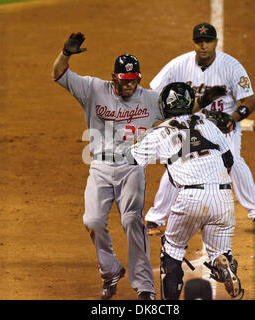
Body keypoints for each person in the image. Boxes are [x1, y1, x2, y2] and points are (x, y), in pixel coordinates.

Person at [52, 32, 163, 300]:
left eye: (134, 80)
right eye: (125, 81)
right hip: (99, 168)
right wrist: (65, 54)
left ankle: (145, 287)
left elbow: (181, 108)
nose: (130, 86)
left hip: (131, 168)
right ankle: (110, 269)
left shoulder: (149, 99)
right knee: (92, 221)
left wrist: (205, 103)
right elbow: (58, 74)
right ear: (114, 77)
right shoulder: (92, 89)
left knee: (131, 220)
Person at [145, 22, 255, 235]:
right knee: (178, 163)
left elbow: (249, 101)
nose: (203, 45)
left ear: (216, 42)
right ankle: (155, 218)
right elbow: (152, 95)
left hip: (224, 127)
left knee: (234, 163)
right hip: (192, 125)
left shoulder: (231, 66)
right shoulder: (178, 65)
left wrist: (233, 116)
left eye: (208, 41)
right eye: (199, 41)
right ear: (193, 43)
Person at [126, 82, 244, 300]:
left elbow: (129, 162)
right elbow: (228, 159)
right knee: (219, 251)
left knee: (172, 250)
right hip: (223, 195)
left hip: (190, 197)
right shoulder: (208, 124)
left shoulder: (159, 133)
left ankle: (168, 303)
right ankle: (223, 263)